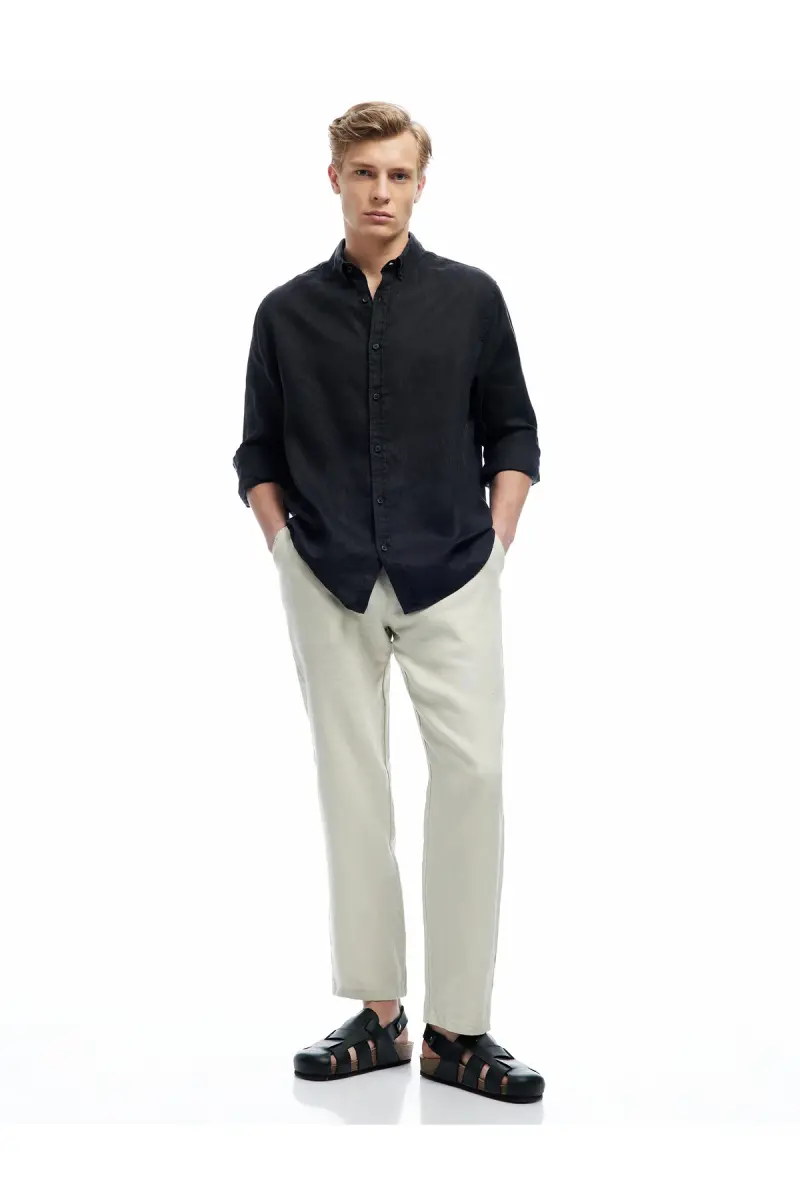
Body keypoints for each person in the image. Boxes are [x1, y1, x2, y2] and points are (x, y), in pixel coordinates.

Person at [232, 101, 545, 1104]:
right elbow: (257, 451)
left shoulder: (471, 299)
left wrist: (495, 545)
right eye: (363, 173)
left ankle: (458, 1028)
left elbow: (513, 430)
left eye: (397, 175)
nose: (380, 192)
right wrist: (284, 549)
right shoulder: (283, 313)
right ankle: (378, 1015)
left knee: (474, 777)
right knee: (351, 787)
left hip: (452, 571)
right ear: (334, 179)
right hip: (327, 576)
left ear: (420, 184)